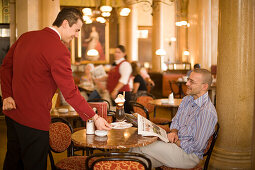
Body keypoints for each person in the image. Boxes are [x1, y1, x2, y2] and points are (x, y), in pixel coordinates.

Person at [0, 8, 111, 170]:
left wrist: (7, 95)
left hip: (12, 115)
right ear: (65, 24)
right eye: (76, 30)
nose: (77, 35)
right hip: (34, 120)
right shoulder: (59, 51)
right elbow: (70, 92)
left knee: (13, 162)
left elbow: (5, 67)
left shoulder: (26, 36)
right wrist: (94, 118)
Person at [130, 69, 218, 169]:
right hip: (174, 147)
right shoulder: (187, 99)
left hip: (188, 156)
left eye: (191, 82)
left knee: (140, 146)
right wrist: (174, 132)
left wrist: (174, 141)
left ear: (204, 86)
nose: (187, 83)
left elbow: (196, 147)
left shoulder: (207, 111)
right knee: (140, 159)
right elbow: (175, 121)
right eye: (188, 79)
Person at [106, 45, 132, 113]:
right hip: (115, 92)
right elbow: (111, 77)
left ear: (124, 54)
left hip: (122, 93)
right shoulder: (115, 64)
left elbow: (124, 80)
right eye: (115, 52)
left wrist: (115, 90)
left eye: (119, 52)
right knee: (117, 114)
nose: (116, 54)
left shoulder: (125, 64)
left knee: (123, 115)